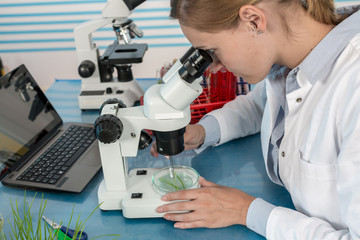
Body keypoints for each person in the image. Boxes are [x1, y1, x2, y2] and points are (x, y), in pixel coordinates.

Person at [150, 0, 360, 239]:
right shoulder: (296, 53)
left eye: (212, 52)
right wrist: (202, 132)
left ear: (254, 20)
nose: (214, 68)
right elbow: (262, 105)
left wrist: (246, 211)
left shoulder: (354, 84)